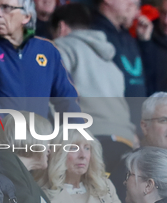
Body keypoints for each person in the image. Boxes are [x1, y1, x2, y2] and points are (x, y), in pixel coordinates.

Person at [51, 3, 136, 174]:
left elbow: (55, 94)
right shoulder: (109, 59)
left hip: (93, 141)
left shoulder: (61, 47)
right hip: (126, 142)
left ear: (61, 27)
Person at [0, 0, 79, 119]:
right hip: (2, 135)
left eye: (6, 7)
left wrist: (75, 133)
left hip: (40, 134)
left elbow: (68, 99)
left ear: (26, 17)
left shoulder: (47, 49)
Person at [39, 129, 125, 203]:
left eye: (87, 148)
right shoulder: (43, 195)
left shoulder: (105, 186)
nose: (83, 155)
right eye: (74, 148)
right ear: (59, 154)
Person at [90, 0, 153, 97]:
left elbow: (146, 79)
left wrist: (144, 42)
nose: (133, 6)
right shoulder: (93, 35)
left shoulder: (127, 35)